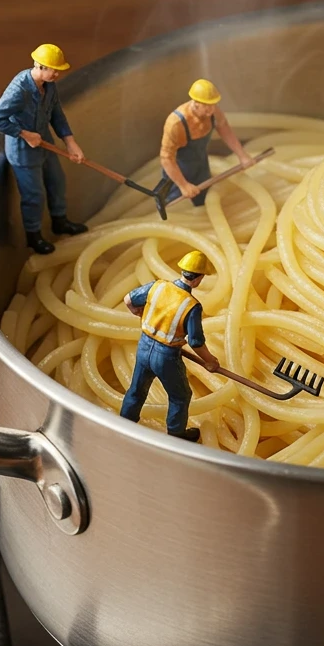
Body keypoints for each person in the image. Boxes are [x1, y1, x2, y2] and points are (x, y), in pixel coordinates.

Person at [0, 43, 90, 255]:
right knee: (33, 195)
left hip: (45, 143)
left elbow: (57, 114)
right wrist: (24, 133)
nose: (57, 74)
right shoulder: (19, 90)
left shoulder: (49, 86)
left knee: (57, 181)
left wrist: (70, 142)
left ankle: (59, 222)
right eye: (55, 70)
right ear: (40, 66)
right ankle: (34, 237)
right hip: (23, 151)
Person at [120, 250, 220, 442]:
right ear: (198, 279)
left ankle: (124, 424)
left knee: (136, 390)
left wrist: (138, 313)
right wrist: (210, 361)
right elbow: (196, 342)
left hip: (144, 347)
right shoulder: (192, 306)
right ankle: (176, 435)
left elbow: (128, 300)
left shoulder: (158, 286)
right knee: (180, 396)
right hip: (166, 357)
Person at [153, 79, 255, 208]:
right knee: (172, 206)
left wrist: (242, 155)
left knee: (205, 200)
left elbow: (224, 127)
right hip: (177, 172)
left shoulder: (212, 111)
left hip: (201, 166)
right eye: (206, 106)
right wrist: (183, 185)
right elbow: (166, 159)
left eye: (213, 105)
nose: (211, 110)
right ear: (196, 103)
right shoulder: (176, 124)